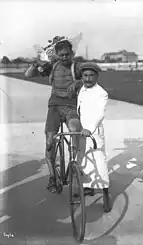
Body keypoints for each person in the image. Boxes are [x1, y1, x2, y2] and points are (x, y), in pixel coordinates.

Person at [25, 39, 82, 193]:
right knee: (50, 141)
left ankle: (74, 165)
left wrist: (78, 84)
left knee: (75, 129)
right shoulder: (52, 66)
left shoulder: (76, 67)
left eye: (67, 55)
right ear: (56, 55)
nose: (64, 57)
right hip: (55, 107)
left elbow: (89, 79)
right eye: (61, 55)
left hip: (70, 107)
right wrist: (36, 63)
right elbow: (28, 75)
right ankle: (52, 177)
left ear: (72, 54)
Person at [77, 62, 111, 213]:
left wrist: (89, 129)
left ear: (97, 76)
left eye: (91, 75)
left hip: (94, 132)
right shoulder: (82, 90)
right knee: (84, 160)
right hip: (82, 131)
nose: (88, 78)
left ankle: (106, 194)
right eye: (85, 75)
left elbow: (99, 114)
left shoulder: (101, 93)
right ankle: (88, 187)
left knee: (99, 163)